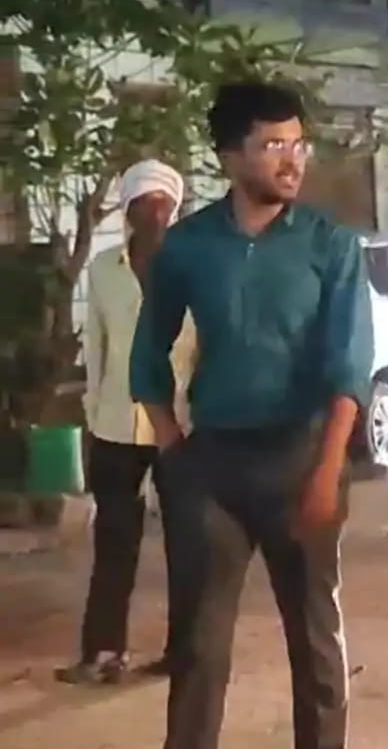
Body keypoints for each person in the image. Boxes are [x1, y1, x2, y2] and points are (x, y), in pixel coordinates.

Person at [130, 82, 373, 749]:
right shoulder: (189, 246)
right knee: (199, 646)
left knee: (314, 639)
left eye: (298, 145)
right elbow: (148, 352)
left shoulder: (331, 245)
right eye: (272, 146)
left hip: (304, 459)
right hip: (213, 468)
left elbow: (350, 366)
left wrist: (328, 471)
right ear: (230, 157)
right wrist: (173, 448)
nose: (292, 160)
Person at [56, 160, 195, 685]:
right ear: (129, 211)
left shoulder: (193, 267)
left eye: (163, 205)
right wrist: (94, 415)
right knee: (115, 542)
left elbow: (205, 343)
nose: (155, 215)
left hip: (179, 425)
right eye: (144, 205)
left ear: (173, 210)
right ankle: (104, 653)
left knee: (188, 543)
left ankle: (186, 653)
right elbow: (96, 345)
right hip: (116, 425)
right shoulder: (103, 269)